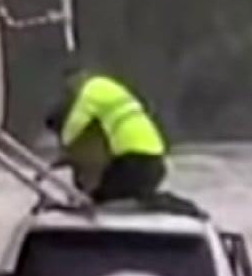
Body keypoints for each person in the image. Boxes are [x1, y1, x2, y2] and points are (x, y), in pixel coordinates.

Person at [50, 63, 169, 205]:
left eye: (70, 87)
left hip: (135, 160)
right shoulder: (111, 87)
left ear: (79, 79)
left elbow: (76, 123)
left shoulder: (91, 90)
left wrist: (64, 146)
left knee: (102, 197)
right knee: (110, 190)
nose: (72, 92)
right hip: (155, 159)